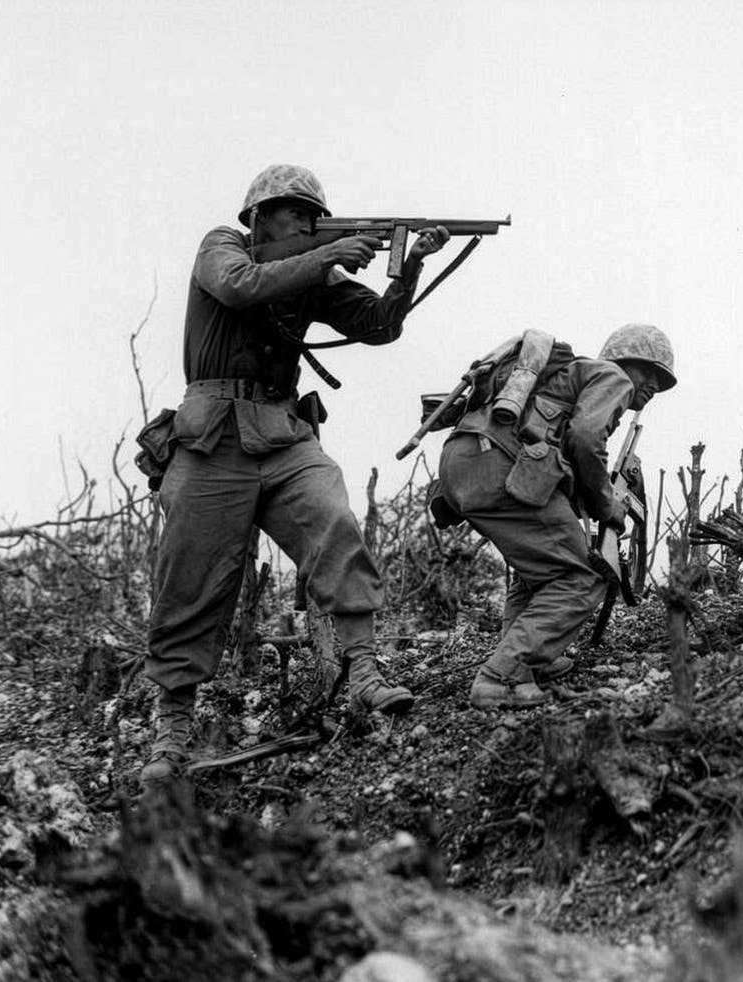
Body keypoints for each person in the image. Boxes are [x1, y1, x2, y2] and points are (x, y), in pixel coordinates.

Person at [139, 164, 450, 785]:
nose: (306, 221)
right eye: (292, 212)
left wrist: (409, 262)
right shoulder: (222, 245)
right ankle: (171, 735)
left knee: (333, 521)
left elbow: (379, 326)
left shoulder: (313, 271)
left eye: (314, 213)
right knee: (190, 579)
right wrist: (328, 251)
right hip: (211, 441)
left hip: (282, 435)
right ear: (257, 216)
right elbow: (237, 285)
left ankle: (362, 668)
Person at [431, 323, 677, 709]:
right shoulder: (613, 377)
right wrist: (606, 504)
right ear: (626, 361)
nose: (653, 387)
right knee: (581, 575)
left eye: (662, 383)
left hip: (462, 462)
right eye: (651, 373)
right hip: (499, 464)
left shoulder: (568, 380)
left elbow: (561, 449)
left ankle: (528, 658)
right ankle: (505, 675)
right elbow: (585, 437)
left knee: (542, 568)